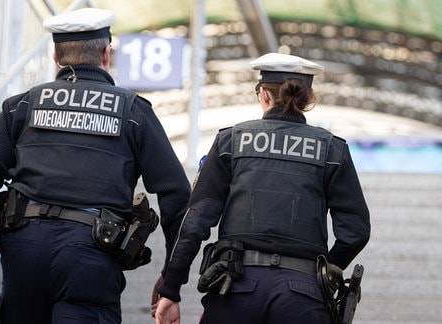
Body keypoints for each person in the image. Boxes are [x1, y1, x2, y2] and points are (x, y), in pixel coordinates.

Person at [0, 7, 191, 324]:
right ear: (106, 54)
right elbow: (177, 193)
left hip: (23, 251)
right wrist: (172, 279)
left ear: (55, 57)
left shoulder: (21, 105)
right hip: (90, 258)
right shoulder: (134, 112)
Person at [154, 53, 371, 324]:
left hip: (234, 290)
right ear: (307, 98)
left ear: (264, 96)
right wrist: (323, 270)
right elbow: (356, 230)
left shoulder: (230, 141)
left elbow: (195, 222)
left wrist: (170, 289)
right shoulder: (332, 149)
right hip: (303, 295)